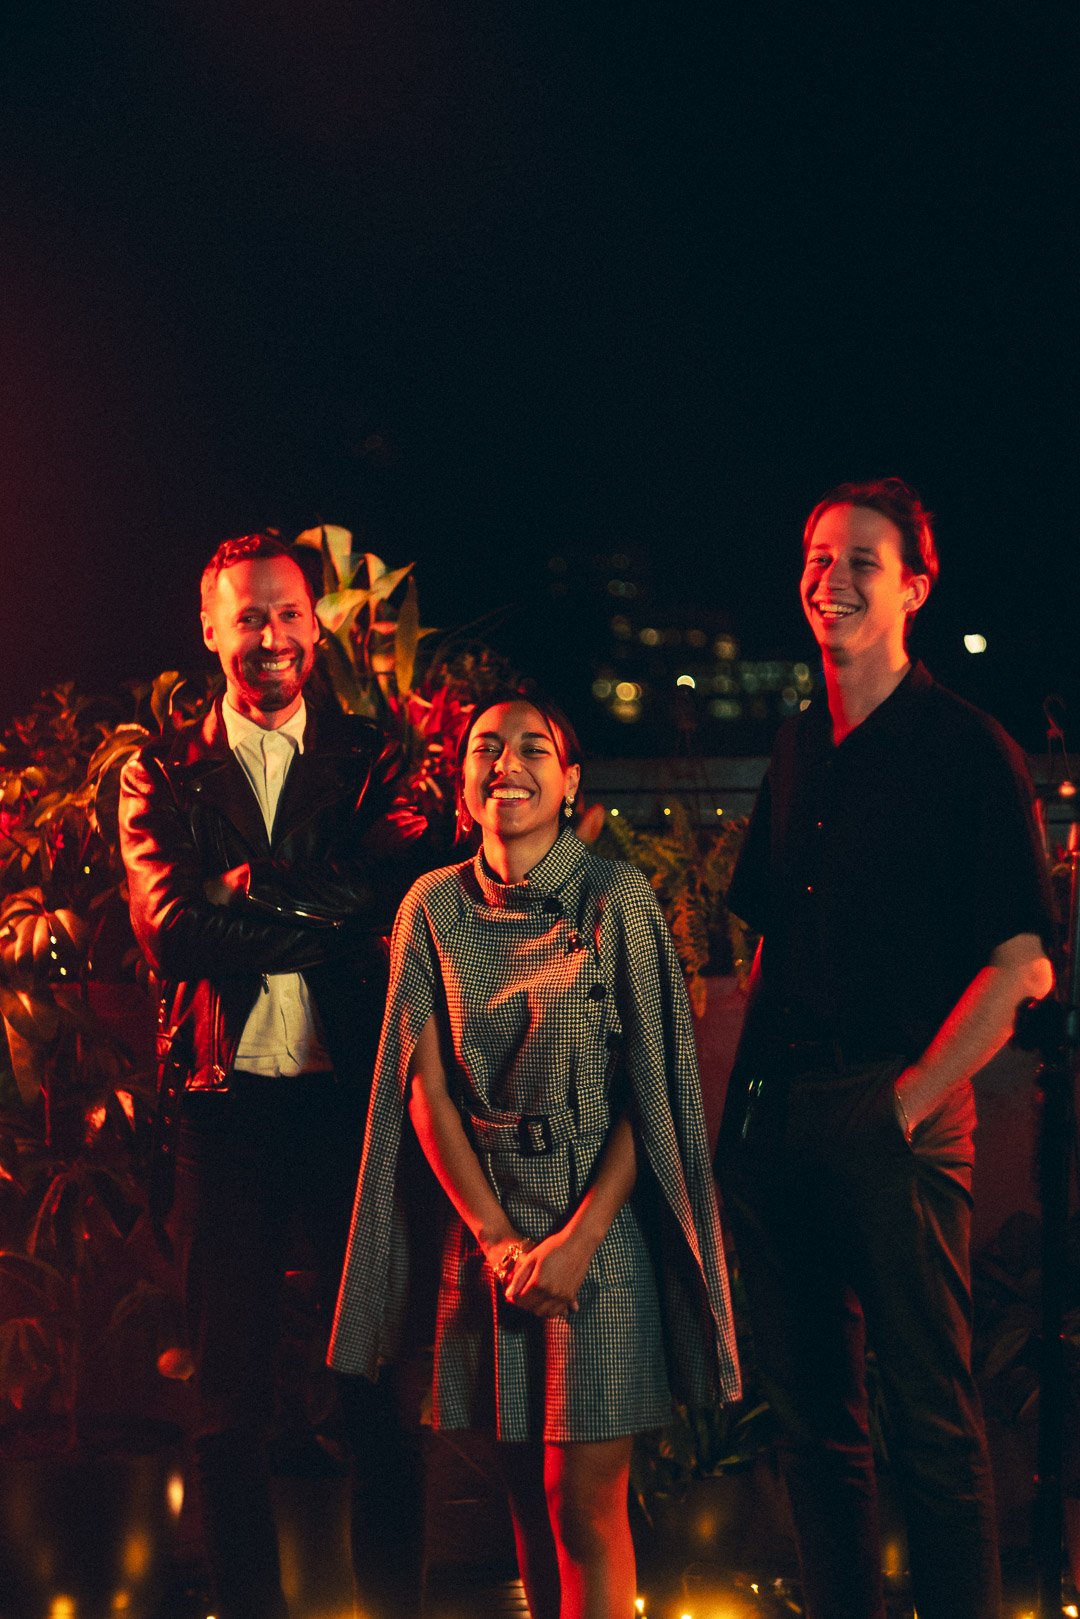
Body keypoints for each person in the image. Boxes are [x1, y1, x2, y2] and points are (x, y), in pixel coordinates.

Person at [716, 478, 1056, 1619]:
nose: (833, 576)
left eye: (863, 558)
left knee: (932, 1427)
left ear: (914, 586)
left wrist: (906, 1106)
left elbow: (1020, 962)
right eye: (818, 555)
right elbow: (769, 942)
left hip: (894, 1112)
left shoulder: (969, 749)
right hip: (785, 1115)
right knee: (814, 1430)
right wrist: (743, 1120)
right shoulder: (800, 741)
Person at [330, 690, 741, 1619]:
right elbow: (423, 1089)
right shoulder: (430, 903)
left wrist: (577, 1240)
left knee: (582, 1510)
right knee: (523, 1504)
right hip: (487, 1236)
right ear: (462, 778)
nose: (505, 762)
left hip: (596, 1232)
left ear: (570, 781)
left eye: (532, 747)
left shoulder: (613, 897)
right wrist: (500, 1242)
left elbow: (658, 1093)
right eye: (485, 746)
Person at [118, 532, 426, 1619]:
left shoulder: (376, 758)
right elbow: (172, 931)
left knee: (379, 1391)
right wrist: (319, 908)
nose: (269, 636)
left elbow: (395, 911)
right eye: (246, 616)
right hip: (225, 1112)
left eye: (287, 612)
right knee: (227, 1407)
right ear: (210, 631)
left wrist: (248, 889)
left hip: (352, 1109)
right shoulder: (158, 769)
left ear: (318, 620)